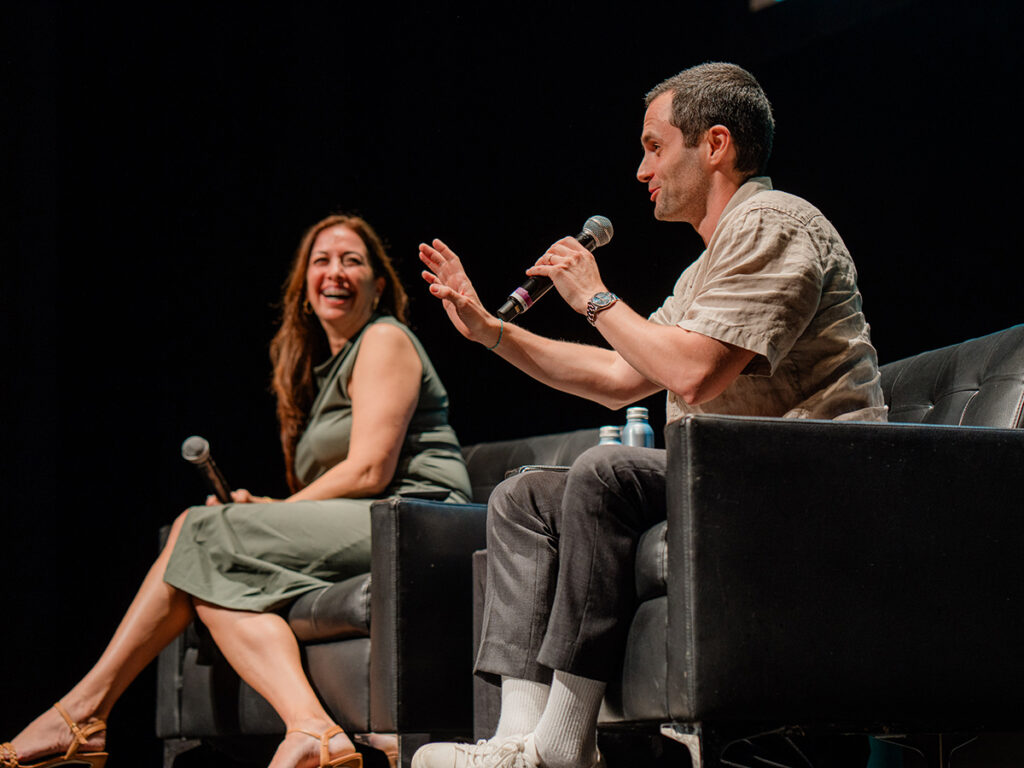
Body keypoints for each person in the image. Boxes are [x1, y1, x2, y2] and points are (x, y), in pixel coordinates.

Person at [411, 63, 885, 768]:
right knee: (523, 496)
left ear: (715, 143)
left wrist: (595, 299)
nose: (640, 170)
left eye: (654, 146)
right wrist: (493, 333)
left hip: (811, 480)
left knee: (604, 473)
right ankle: (516, 744)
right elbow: (618, 377)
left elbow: (693, 370)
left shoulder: (774, 223)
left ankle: (566, 743)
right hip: (728, 473)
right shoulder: (704, 267)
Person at [1, 214, 472, 768]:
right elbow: (338, 486)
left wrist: (270, 515)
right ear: (303, 288)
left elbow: (369, 471)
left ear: (379, 285)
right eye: (321, 261)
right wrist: (268, 514)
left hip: (416, 521)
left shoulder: (386, 338)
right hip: (366, 519)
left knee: (197, 532)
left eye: (352, 260)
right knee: (209, 571)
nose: (335, 272)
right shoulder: (321, 373)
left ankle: (81, 712)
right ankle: (312, 731)